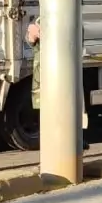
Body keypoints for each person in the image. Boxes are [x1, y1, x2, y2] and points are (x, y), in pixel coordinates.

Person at [27, 20, 89, 151]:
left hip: (62, 77)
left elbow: (72, 44)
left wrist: (46, 35)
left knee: (66, 110)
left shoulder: (70, 16)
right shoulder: (40, 20)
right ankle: (52, 154)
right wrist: (33, 35)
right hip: (44, 77)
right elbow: (32, 41)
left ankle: (73, 143)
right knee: (48, 116)